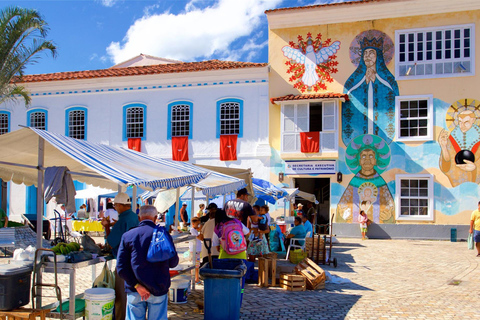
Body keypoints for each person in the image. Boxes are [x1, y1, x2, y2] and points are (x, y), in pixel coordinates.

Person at [117, 205, 179, 320]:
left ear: (139, 218)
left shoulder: (128, 236)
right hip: (158, 288)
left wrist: (137, 285)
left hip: (135, 290)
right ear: (155, 218)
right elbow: (173, 263)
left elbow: (121, 268)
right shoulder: (163, 235)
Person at [342, 36, 399, 145]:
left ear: (378, 56)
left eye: (371, 53)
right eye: (365, 54)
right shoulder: (354, 80)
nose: (368, 56)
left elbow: (392, 92)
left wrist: (376, 79)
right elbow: (348, 93)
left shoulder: (387, 80)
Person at [337, 134, 395, 224]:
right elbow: (342, 204)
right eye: (363, 156)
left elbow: (390, 204)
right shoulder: (354, 181)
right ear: (359, 161)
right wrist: (344, 212)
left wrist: (388, 213)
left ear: (376, 161)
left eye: (371, 156)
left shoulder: (380, 182)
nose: (367, 159)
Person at [103, 192, 139, 320]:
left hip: (124, 262)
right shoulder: (134, 217)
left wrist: (107, 227)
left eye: (116, 206)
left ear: (119, 205)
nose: (115, 208)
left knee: (121, 295)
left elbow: (111, 242)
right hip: (135, 261)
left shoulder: (123, 219)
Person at [212, 209, 249, 305]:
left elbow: (216, 245)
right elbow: (247, 232)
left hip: (225, 257)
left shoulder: (218, 227)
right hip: (241, 255)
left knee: (224, 281)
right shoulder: (237, 222)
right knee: (240, 281)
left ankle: (225, 301)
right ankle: (238, 301)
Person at [439, 109, 480, 187]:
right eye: (460, 122)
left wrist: (475, 168)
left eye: (466, 122)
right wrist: (444, 147)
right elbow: (447, 162)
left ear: (473, 120)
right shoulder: (453, 136)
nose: (462, 126)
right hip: (457, 181)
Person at [189, 217, 202, 284]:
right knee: (195, 266)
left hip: (196, 250)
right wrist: (202, 230)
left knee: (197, 265)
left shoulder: (195, 230)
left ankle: (196, 278)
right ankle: (195, 279)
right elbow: (200, 238)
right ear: (193, 224)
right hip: (194, 250)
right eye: (197, 224)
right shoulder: (193, 230)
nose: (198, 226)